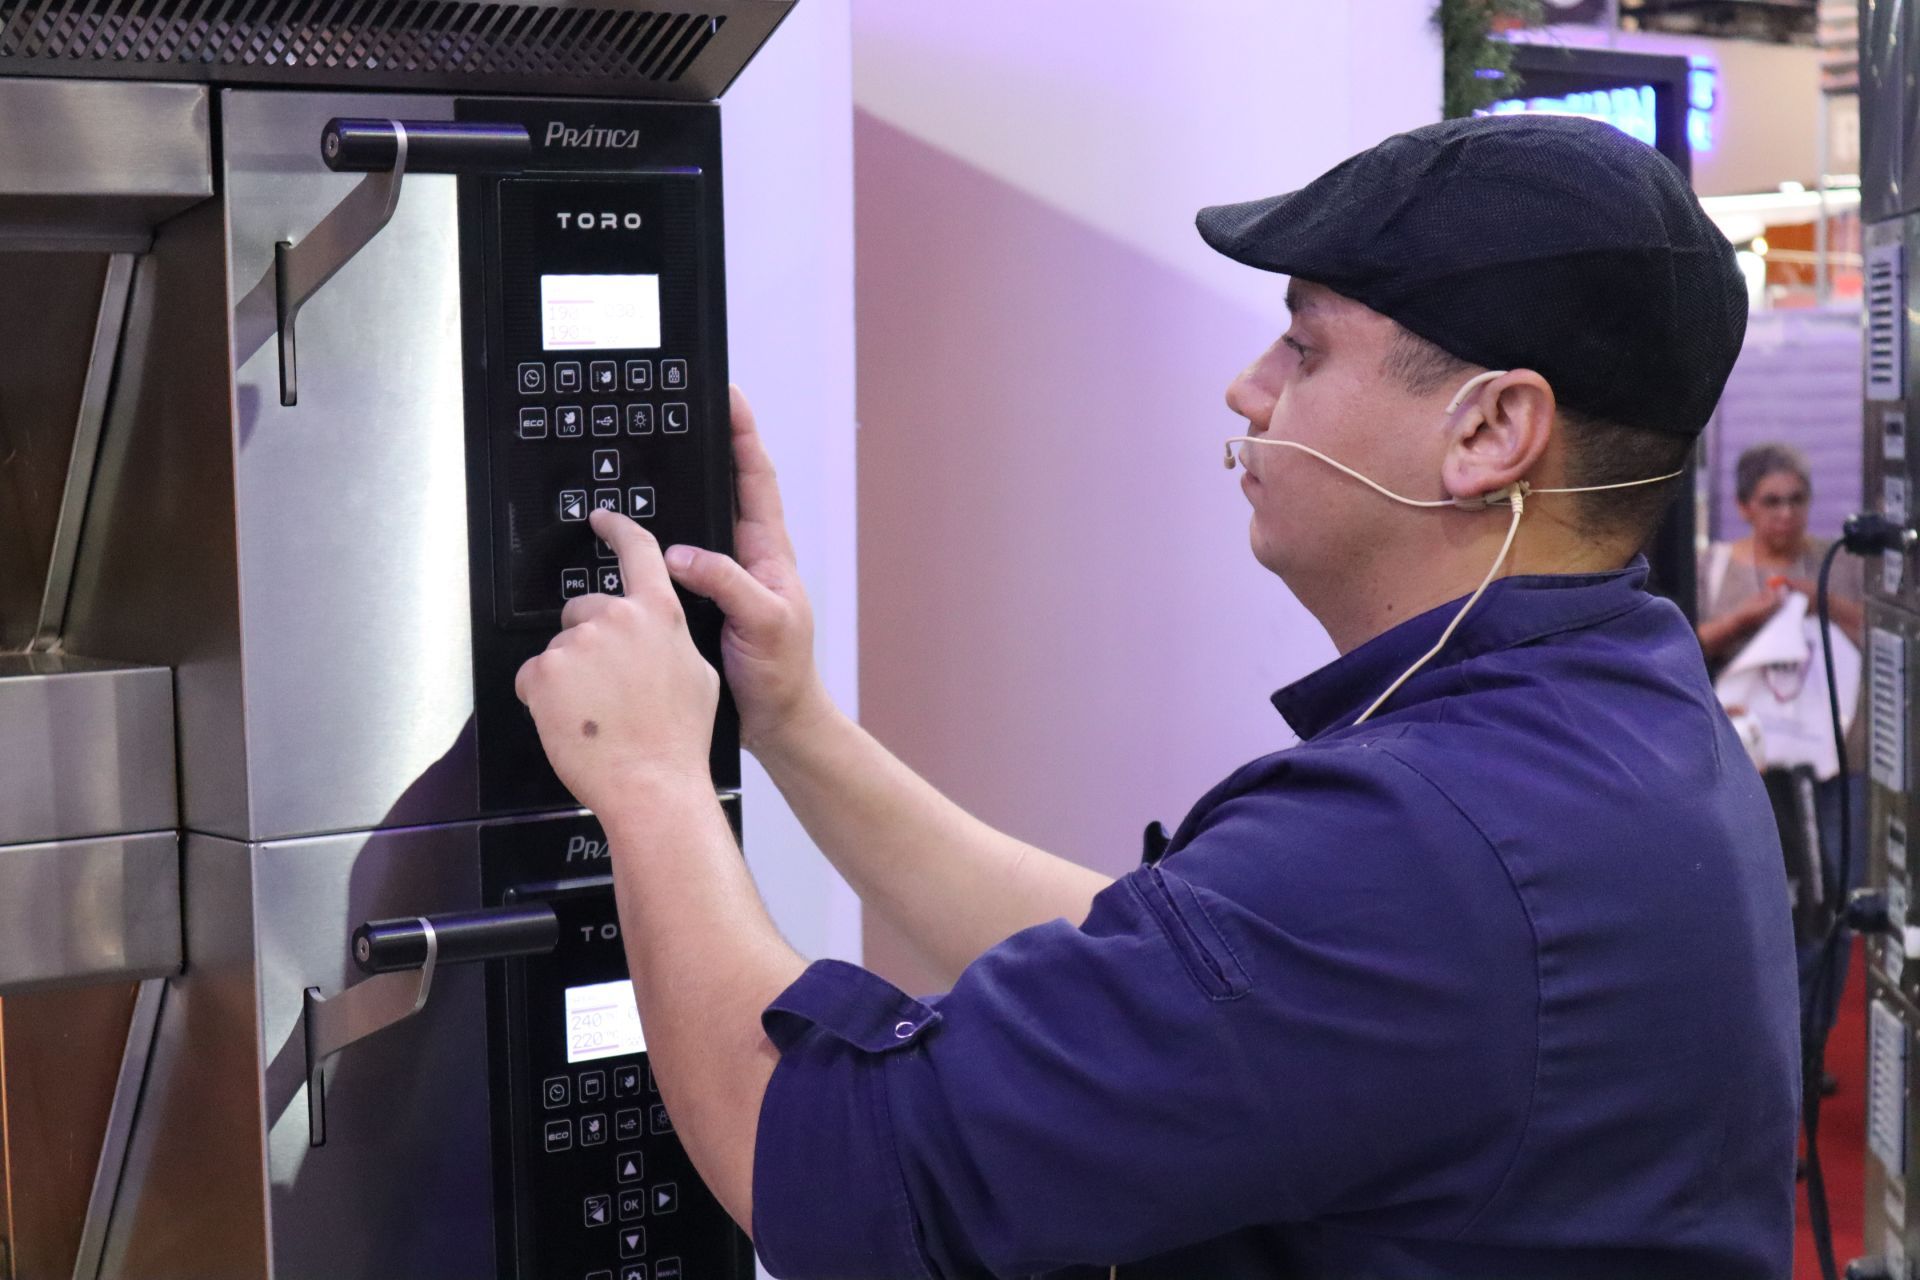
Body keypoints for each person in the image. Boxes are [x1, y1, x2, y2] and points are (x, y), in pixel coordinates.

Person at [515, 115, 1798, 1279]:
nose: (1251, 389)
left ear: (1489, 432)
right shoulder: (1625, 717)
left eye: (1304, 347)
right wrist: (793, 725)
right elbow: (1171, 978)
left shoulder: (1424, 840)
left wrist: (650, 782)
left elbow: (836, 1172)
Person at [1698, 442, 1866, 1045]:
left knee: (1837, 901)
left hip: (1834, 763)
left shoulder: (1839, 563)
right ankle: (1763, 1044)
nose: (1786, 514)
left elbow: (1886, 633)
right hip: (1749, 764)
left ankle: (1812, 1042)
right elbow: (1687, 644)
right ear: (1745, 506)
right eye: (1771, 501)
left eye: (1797, 500)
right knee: (1760, 902)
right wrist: (1746, 619)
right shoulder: (1715, 567)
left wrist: (1818, 600)